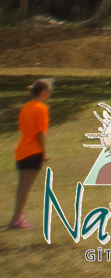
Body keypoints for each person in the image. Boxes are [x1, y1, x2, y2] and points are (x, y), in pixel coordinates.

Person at [12, 78, 52, 229]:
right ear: (43, 92)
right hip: (33, 151)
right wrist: (44, 152)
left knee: (21, 187)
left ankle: (17, 217)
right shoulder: (41, 108)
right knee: (26, 188)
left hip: (21, 150)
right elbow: (40, 133)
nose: (50, 93)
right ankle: (16, 220)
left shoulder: (26, 107)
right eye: (49, 90)